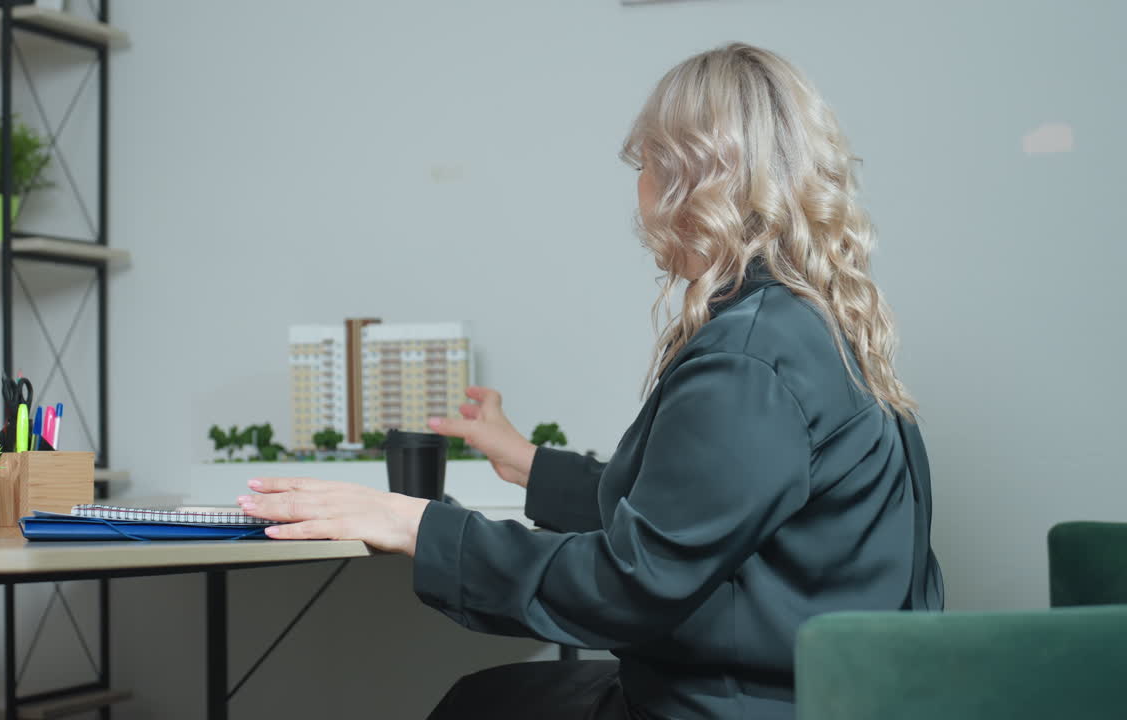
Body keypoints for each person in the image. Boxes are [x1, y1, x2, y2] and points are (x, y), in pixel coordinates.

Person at [238, 42, 943, 720]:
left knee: (477, 703)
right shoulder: (814, 324)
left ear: (688, 181)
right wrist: (528, 464)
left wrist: (413, 524)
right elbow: (697, 515)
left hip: (737, 706)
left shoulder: (749, 358)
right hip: (821, 696)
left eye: (643, 165)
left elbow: (632, 583)